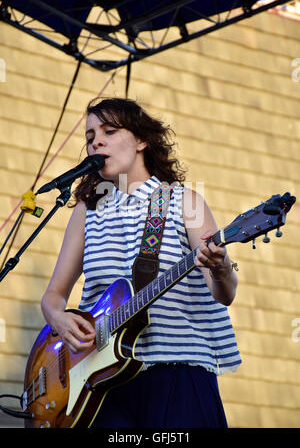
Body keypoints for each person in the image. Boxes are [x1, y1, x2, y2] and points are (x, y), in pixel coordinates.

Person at [41, 97, 241, 428]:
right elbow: (53, 296)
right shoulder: (86, 211)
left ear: (142, 140)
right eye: (90, 137)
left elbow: (225, 293)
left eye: (110, 131)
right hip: (102, 381)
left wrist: (220, 268)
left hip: (177, 374)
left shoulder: (184, 201)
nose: (96, 142)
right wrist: (60, 321)